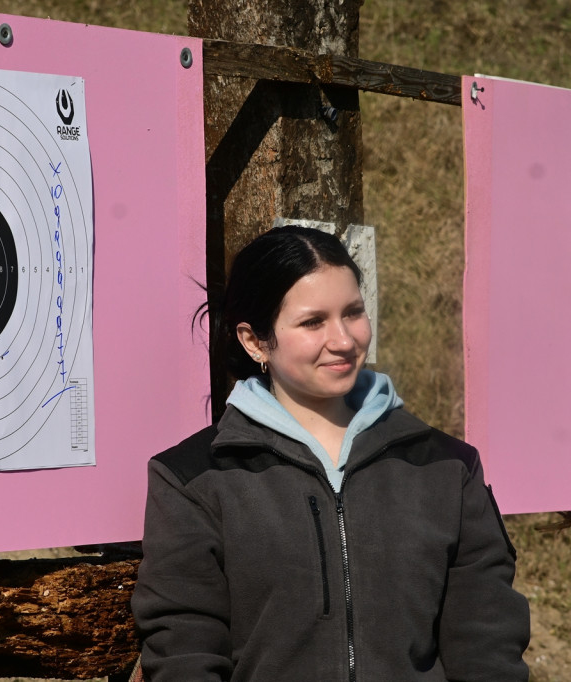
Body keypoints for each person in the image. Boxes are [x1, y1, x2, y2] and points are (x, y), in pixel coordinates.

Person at [131, 225, 530, 681]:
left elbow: (487, 645)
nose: (343, 340)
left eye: (353, 313)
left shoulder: (446, 467)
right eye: (312, 322)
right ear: (255, 341)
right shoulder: (192, 480)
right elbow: (184, 652)